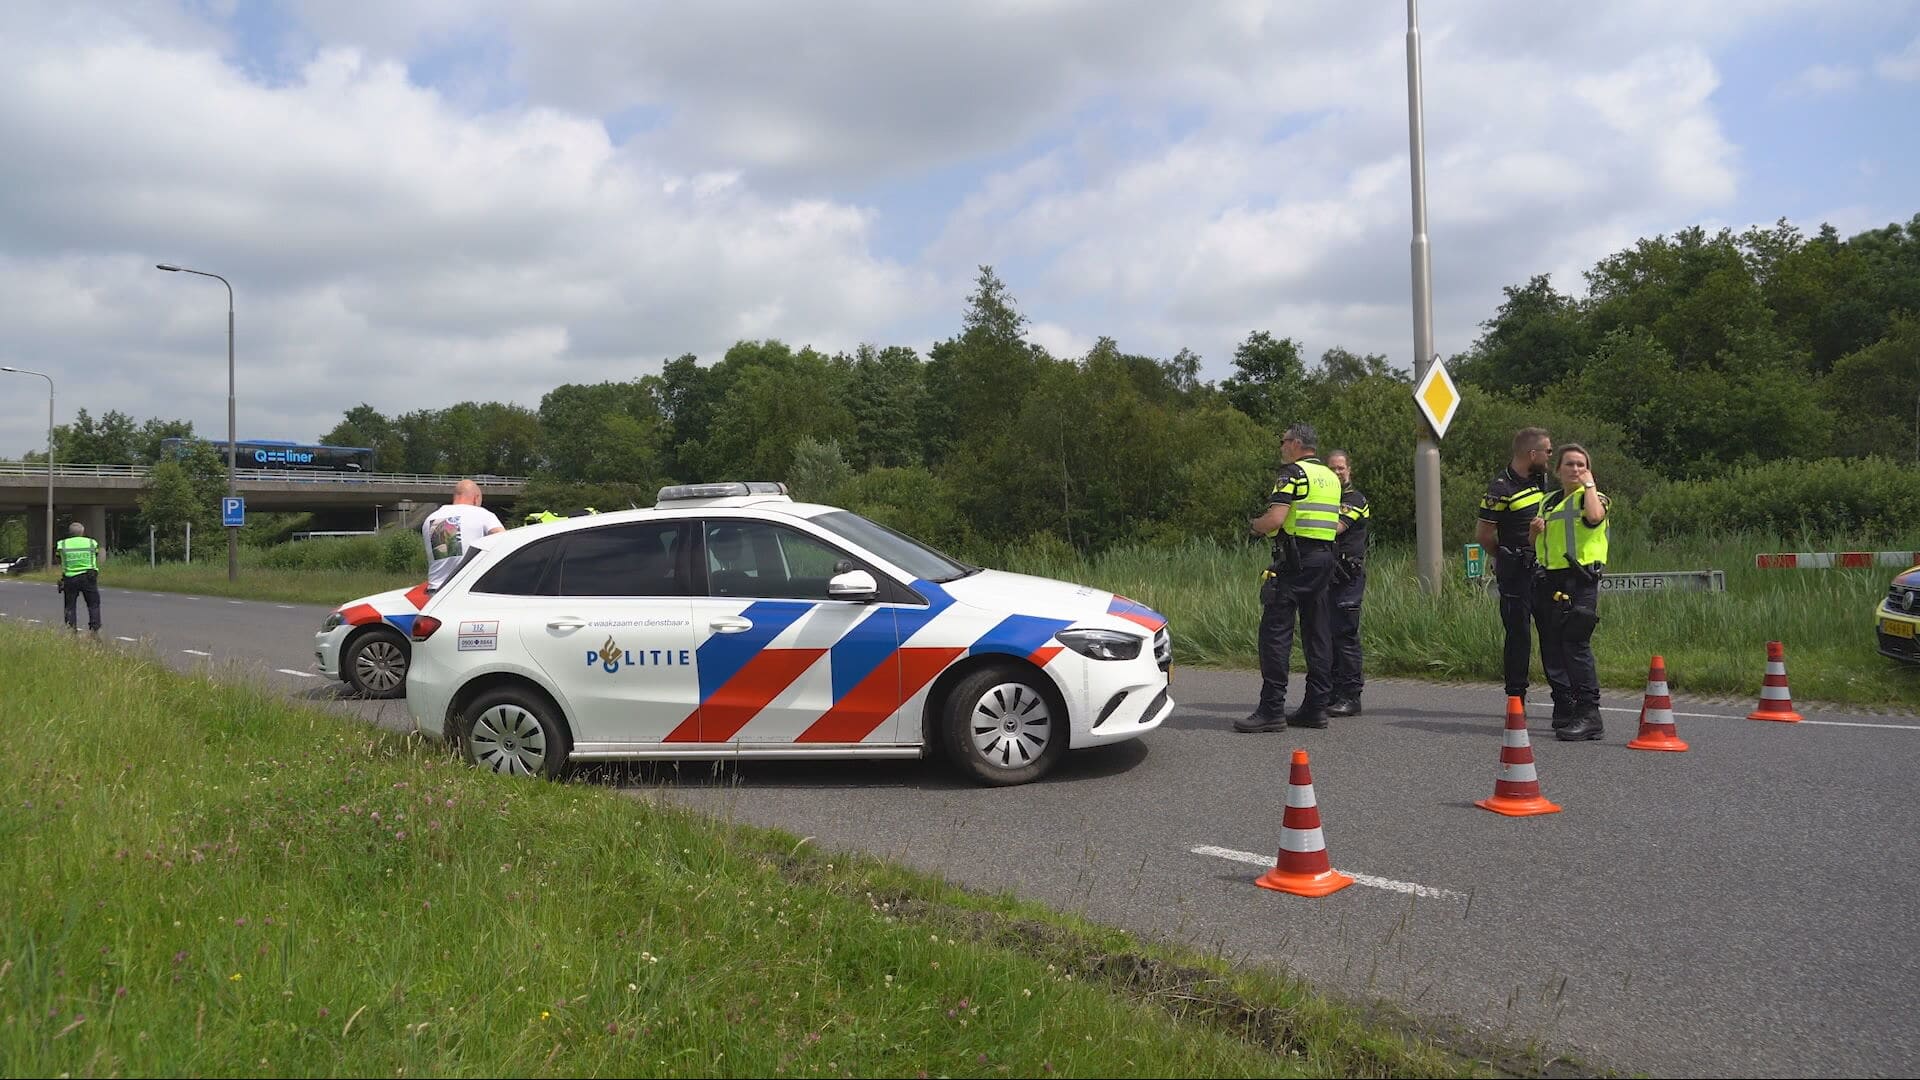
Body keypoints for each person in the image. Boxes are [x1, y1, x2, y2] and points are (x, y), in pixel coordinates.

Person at [1236, 423, 1342, 733]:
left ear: (1296, 443)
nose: (1281, 447)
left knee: (1275, 634)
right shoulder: (1330, 478)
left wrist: (1254, 526)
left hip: (1295, 560)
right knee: (1318, 634)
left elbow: (1275, 519)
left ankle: (1271, 709)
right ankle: (1316, 707)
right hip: (1325, 560)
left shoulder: (1292, 473)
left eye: (1283, 441)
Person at [1534, 443, 1610, 742]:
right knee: (1553, 644)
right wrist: (1534, 530)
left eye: (1581, 464)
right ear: (1558, 470)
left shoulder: (1593, 497)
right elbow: (1538, 543)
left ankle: (1590, 714)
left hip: (1581, 579)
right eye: (1570, 464)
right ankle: (1565, 707)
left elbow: (1594, 517)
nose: (1575, 469)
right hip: (1551, 578)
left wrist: (1589, 484)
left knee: (1576, 643)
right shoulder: (1549, 502)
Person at [1477, 428, 1553, 714]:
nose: (1549, 456)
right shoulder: (1500, 488)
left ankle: (1561, 694)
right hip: (1516, 570)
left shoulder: (1541, 480)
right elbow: (1484, 534)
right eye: (1547, 451)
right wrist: (1503, 556)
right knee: (1518, 634)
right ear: (1531, 454)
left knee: (1551, 630)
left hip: (1542, 567)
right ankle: (1516, 698)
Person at [1325, 450, 1370, 717]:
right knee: (1327, 636)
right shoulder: (1326, 499)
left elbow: (1335, 527)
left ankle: (1351, 696)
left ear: (1349, 470)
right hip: (1329, 577)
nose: (1337, 473)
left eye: (1340, 468)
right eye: (1331, 468)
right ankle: (1332, 692)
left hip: (1348, 577)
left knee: (1345, 636)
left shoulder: (1355, 499)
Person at [421, 479, 505, 591]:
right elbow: (504, 541)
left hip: (436, 591)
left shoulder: (431, 518)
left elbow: (447, 556)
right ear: (476, 498)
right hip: (467, 590)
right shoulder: (483, 515)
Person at [55, 521, 102, 637]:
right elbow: (95, 554)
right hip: (89, 576)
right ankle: (94, 630)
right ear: (82, 532)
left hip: (70, 577)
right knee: (93, 604)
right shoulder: (92, 542)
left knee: (70, 605)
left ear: (70, 533)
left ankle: (71, 631)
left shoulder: (62, 544)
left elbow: (58, 558)